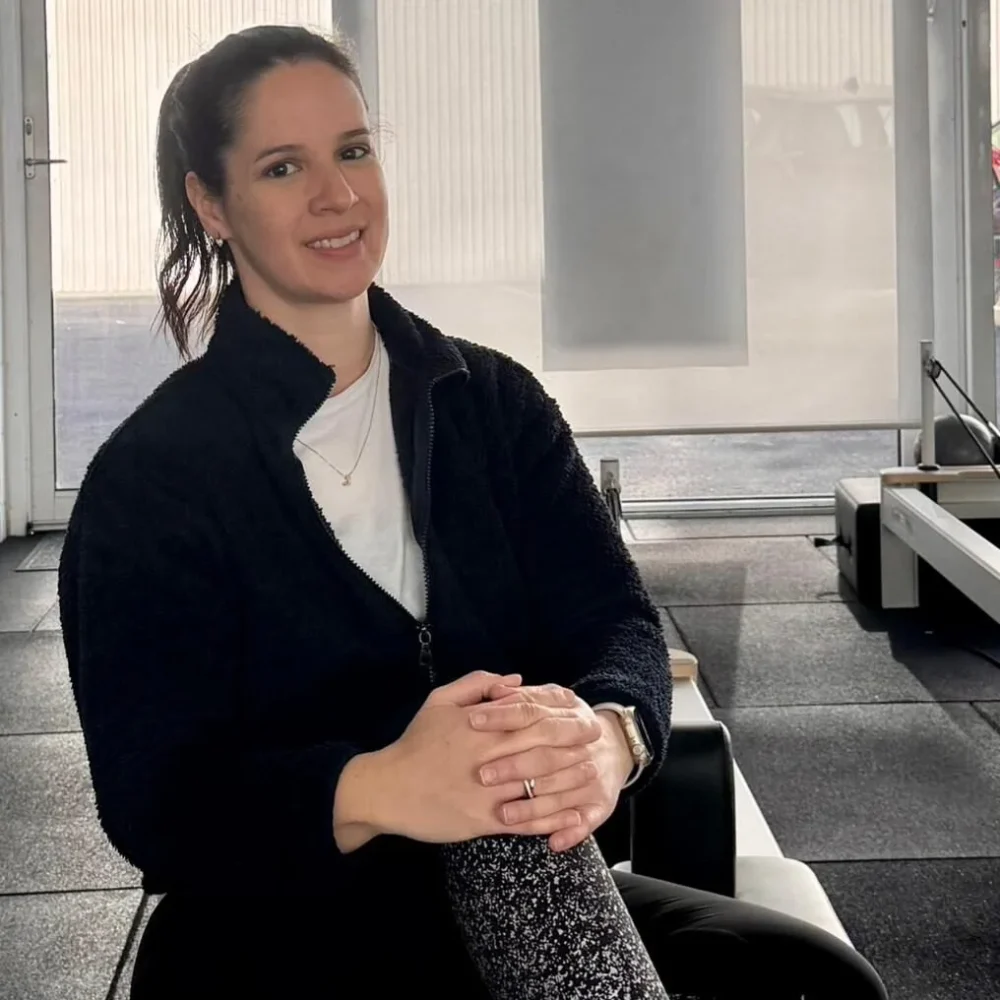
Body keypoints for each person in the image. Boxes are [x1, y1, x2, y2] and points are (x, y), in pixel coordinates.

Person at [56, 24, 889, 1000]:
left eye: (354, 151)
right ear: (211, 201)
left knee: (819, 985)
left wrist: (610, 732)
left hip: (520, 876)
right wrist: (380, 784)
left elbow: (614, 620)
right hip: (278, 918)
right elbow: (157, 802)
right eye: (283, 167)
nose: (338, 195)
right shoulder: (153, 480)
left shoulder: (494, 404)